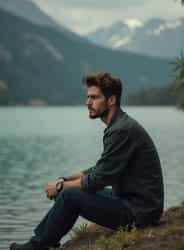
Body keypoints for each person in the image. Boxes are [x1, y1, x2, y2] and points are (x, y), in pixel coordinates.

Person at [10, 72, 164, 250]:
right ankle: (47, 239)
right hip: (133, 202)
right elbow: (102, 168)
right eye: (87, 97)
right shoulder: (119, 125)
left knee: (68, 195)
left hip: (139, 213)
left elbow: (97, 180)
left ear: (111, 100)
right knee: (68, 189)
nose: (88, 102)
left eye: (94, 97)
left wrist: (61, 187)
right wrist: (66, 179)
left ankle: (37, 246)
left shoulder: (121, 130)